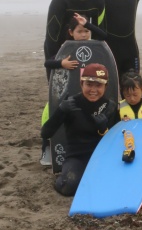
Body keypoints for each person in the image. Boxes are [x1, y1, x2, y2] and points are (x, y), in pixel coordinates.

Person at [40, 63, 119, 196]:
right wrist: (60, 111)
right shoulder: (70, 104)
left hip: (102, 156)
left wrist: (103, 130)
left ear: (105, 86)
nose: (93, 90)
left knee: (111, 186)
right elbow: (45, 133)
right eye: (89, 84)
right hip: (77, 157)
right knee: (67, 187)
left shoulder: (110, 107)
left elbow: (115, 142)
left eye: (98, 85)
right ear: (82, 84)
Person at [40, 13, 107, 166]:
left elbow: (104, 36)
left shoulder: (96, 47)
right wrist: (61, 63)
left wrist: (89, 24)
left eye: (86, 31)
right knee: (49, 115)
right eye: (79, 31)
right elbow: (47, 63)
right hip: (69, 92)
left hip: (89, 93)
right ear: (71, 32)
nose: (83, 35)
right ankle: (46, 148)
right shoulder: (66, 48)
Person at [45, 0, 106, 79]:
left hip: (85, 49)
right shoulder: (60, 0)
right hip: (60, 50)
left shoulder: (98, 1)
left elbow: (100, 34)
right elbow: (52, 36)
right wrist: (57, 60)